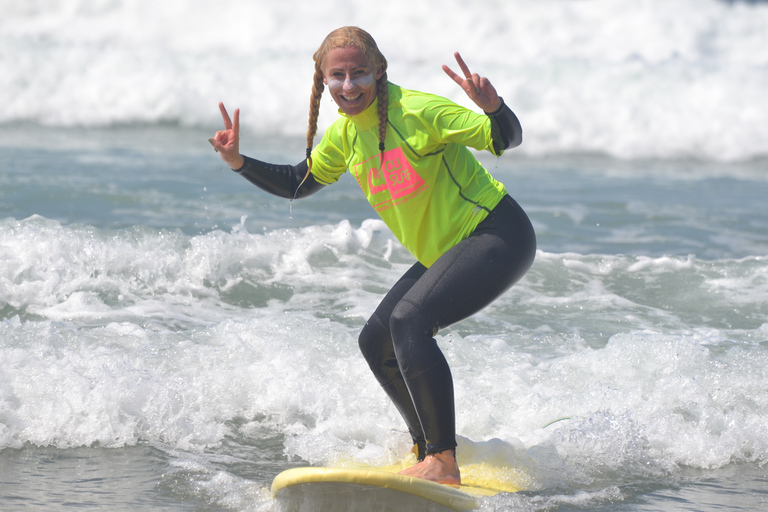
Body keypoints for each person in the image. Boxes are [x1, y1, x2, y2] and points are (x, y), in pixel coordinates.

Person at [209, 26, 536, 485]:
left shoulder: (418, 111)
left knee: (409, 322)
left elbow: (506, 139)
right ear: (323, 81)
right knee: (376, 341)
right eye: (337, 76)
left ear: (378, 72)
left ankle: (443, 461)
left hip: (495, 233)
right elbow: (298, 182)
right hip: (448, 248)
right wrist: (238, 162)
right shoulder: (344, 136)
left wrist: (494, 108)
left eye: (359, 73)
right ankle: (427, 449)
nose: (349, 86)